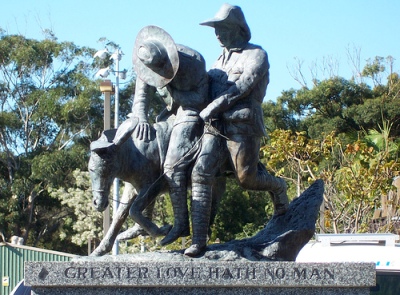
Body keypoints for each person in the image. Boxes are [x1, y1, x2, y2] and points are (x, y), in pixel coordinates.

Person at [185, 3, 289, 256]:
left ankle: (278, 187)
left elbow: (244, 85)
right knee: (201, 172)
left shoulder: (256, 54)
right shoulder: (219, 59)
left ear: (237, 28)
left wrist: (216, 104)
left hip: (242, 124)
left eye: (221, 28)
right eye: (215, 29)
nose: (217, 34)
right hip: (215, 125)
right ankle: (199, 240)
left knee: (246, 179)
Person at [113, 26, 209, 245]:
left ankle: (182, 224)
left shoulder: (193, 61)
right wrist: (142, 119)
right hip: (165, 116)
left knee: (172, 166)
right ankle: (143, 221)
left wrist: (175, 94)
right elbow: (140, 101)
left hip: (192, 111)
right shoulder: (144, 61)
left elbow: (201, 97)